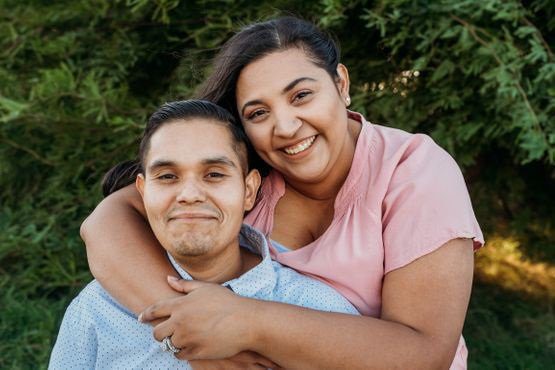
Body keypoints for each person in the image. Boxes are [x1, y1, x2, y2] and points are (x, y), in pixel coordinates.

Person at [81, 17, 484, 369]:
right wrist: (191, 332)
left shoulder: (413, 171)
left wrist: (245, 323)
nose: (287, 127)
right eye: (258, 113)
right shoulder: (245, 176)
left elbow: (424, 354)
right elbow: (106, 223)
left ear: (341, 84)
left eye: (301, 96)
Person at [50, 100, 358, 369]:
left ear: (248, 191)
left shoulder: (317, 307)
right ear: (143, 192)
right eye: (168, 176)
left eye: (214, 174)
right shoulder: (96, 310)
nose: (189, 194)